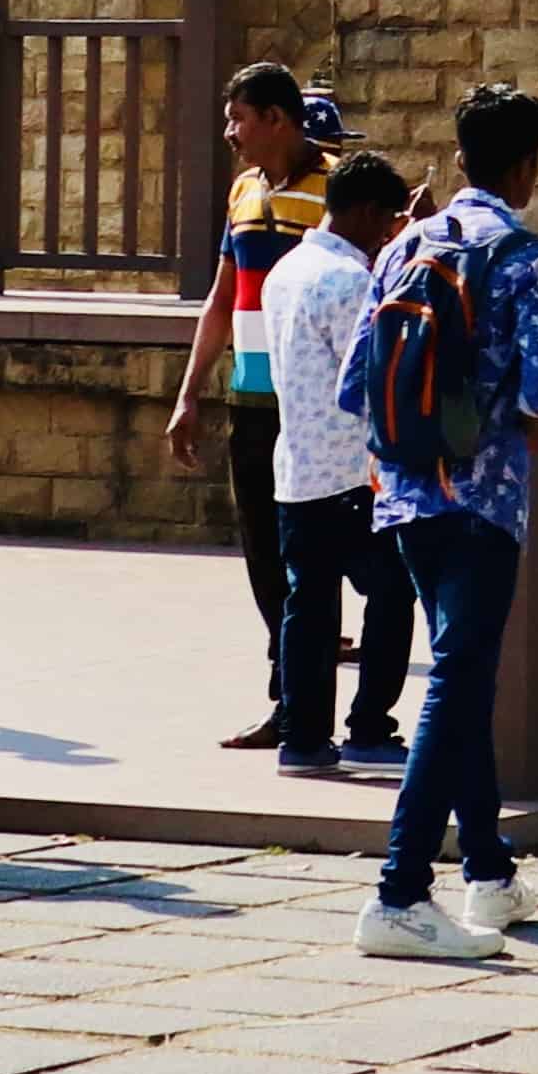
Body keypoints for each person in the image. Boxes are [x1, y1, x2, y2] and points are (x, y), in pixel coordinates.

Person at [343, 82, 538, 962]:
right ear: (523, 165)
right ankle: (399, 892)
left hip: (401, 493)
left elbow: (352, 384)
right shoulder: (525, 256)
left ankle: (488, 871)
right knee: (456, 679)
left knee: (462, 675)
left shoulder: (406, 245)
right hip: (484, 498)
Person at [166, 60, 336, 746]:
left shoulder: (335, 189)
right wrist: (190, 392)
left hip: (317, 406)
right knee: (264, 554)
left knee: (326, 558)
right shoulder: (242, 193)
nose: (231, 132)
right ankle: (288, 696)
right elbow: (221, 296)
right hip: (252, 398)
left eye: (240, 118)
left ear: (278, 117)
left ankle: (342, 705)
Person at [263, 149, 416, 779]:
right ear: (363, 211)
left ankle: (302, 737)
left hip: (298, 467)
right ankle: (370, 726)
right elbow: (375, 375)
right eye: (385, 221)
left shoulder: (286, 270)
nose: (388, 234)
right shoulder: (354, 282)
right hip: (356, 471)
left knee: (309, 604)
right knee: (392, 591)